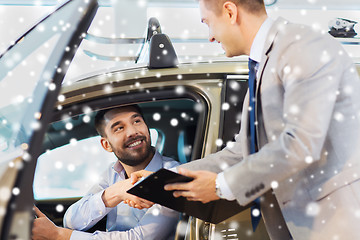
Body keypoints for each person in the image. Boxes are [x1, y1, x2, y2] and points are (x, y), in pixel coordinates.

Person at [131, 0, 360, 239]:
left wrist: (220, 186)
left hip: (334, 222)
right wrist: (166, 180)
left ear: (230, 12)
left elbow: (301, 144)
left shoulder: (302, 45)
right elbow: (243, 152)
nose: (210, 37)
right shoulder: (261, 68)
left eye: (208, 23)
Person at [32, 105, 179, 240]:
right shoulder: (113, 173)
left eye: (137, 121)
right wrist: (116, 192)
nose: (133, 132)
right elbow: (71, 221)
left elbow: (141, 238)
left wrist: (59, 235)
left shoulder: (172, 174)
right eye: (119, 128)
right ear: (106, 145)